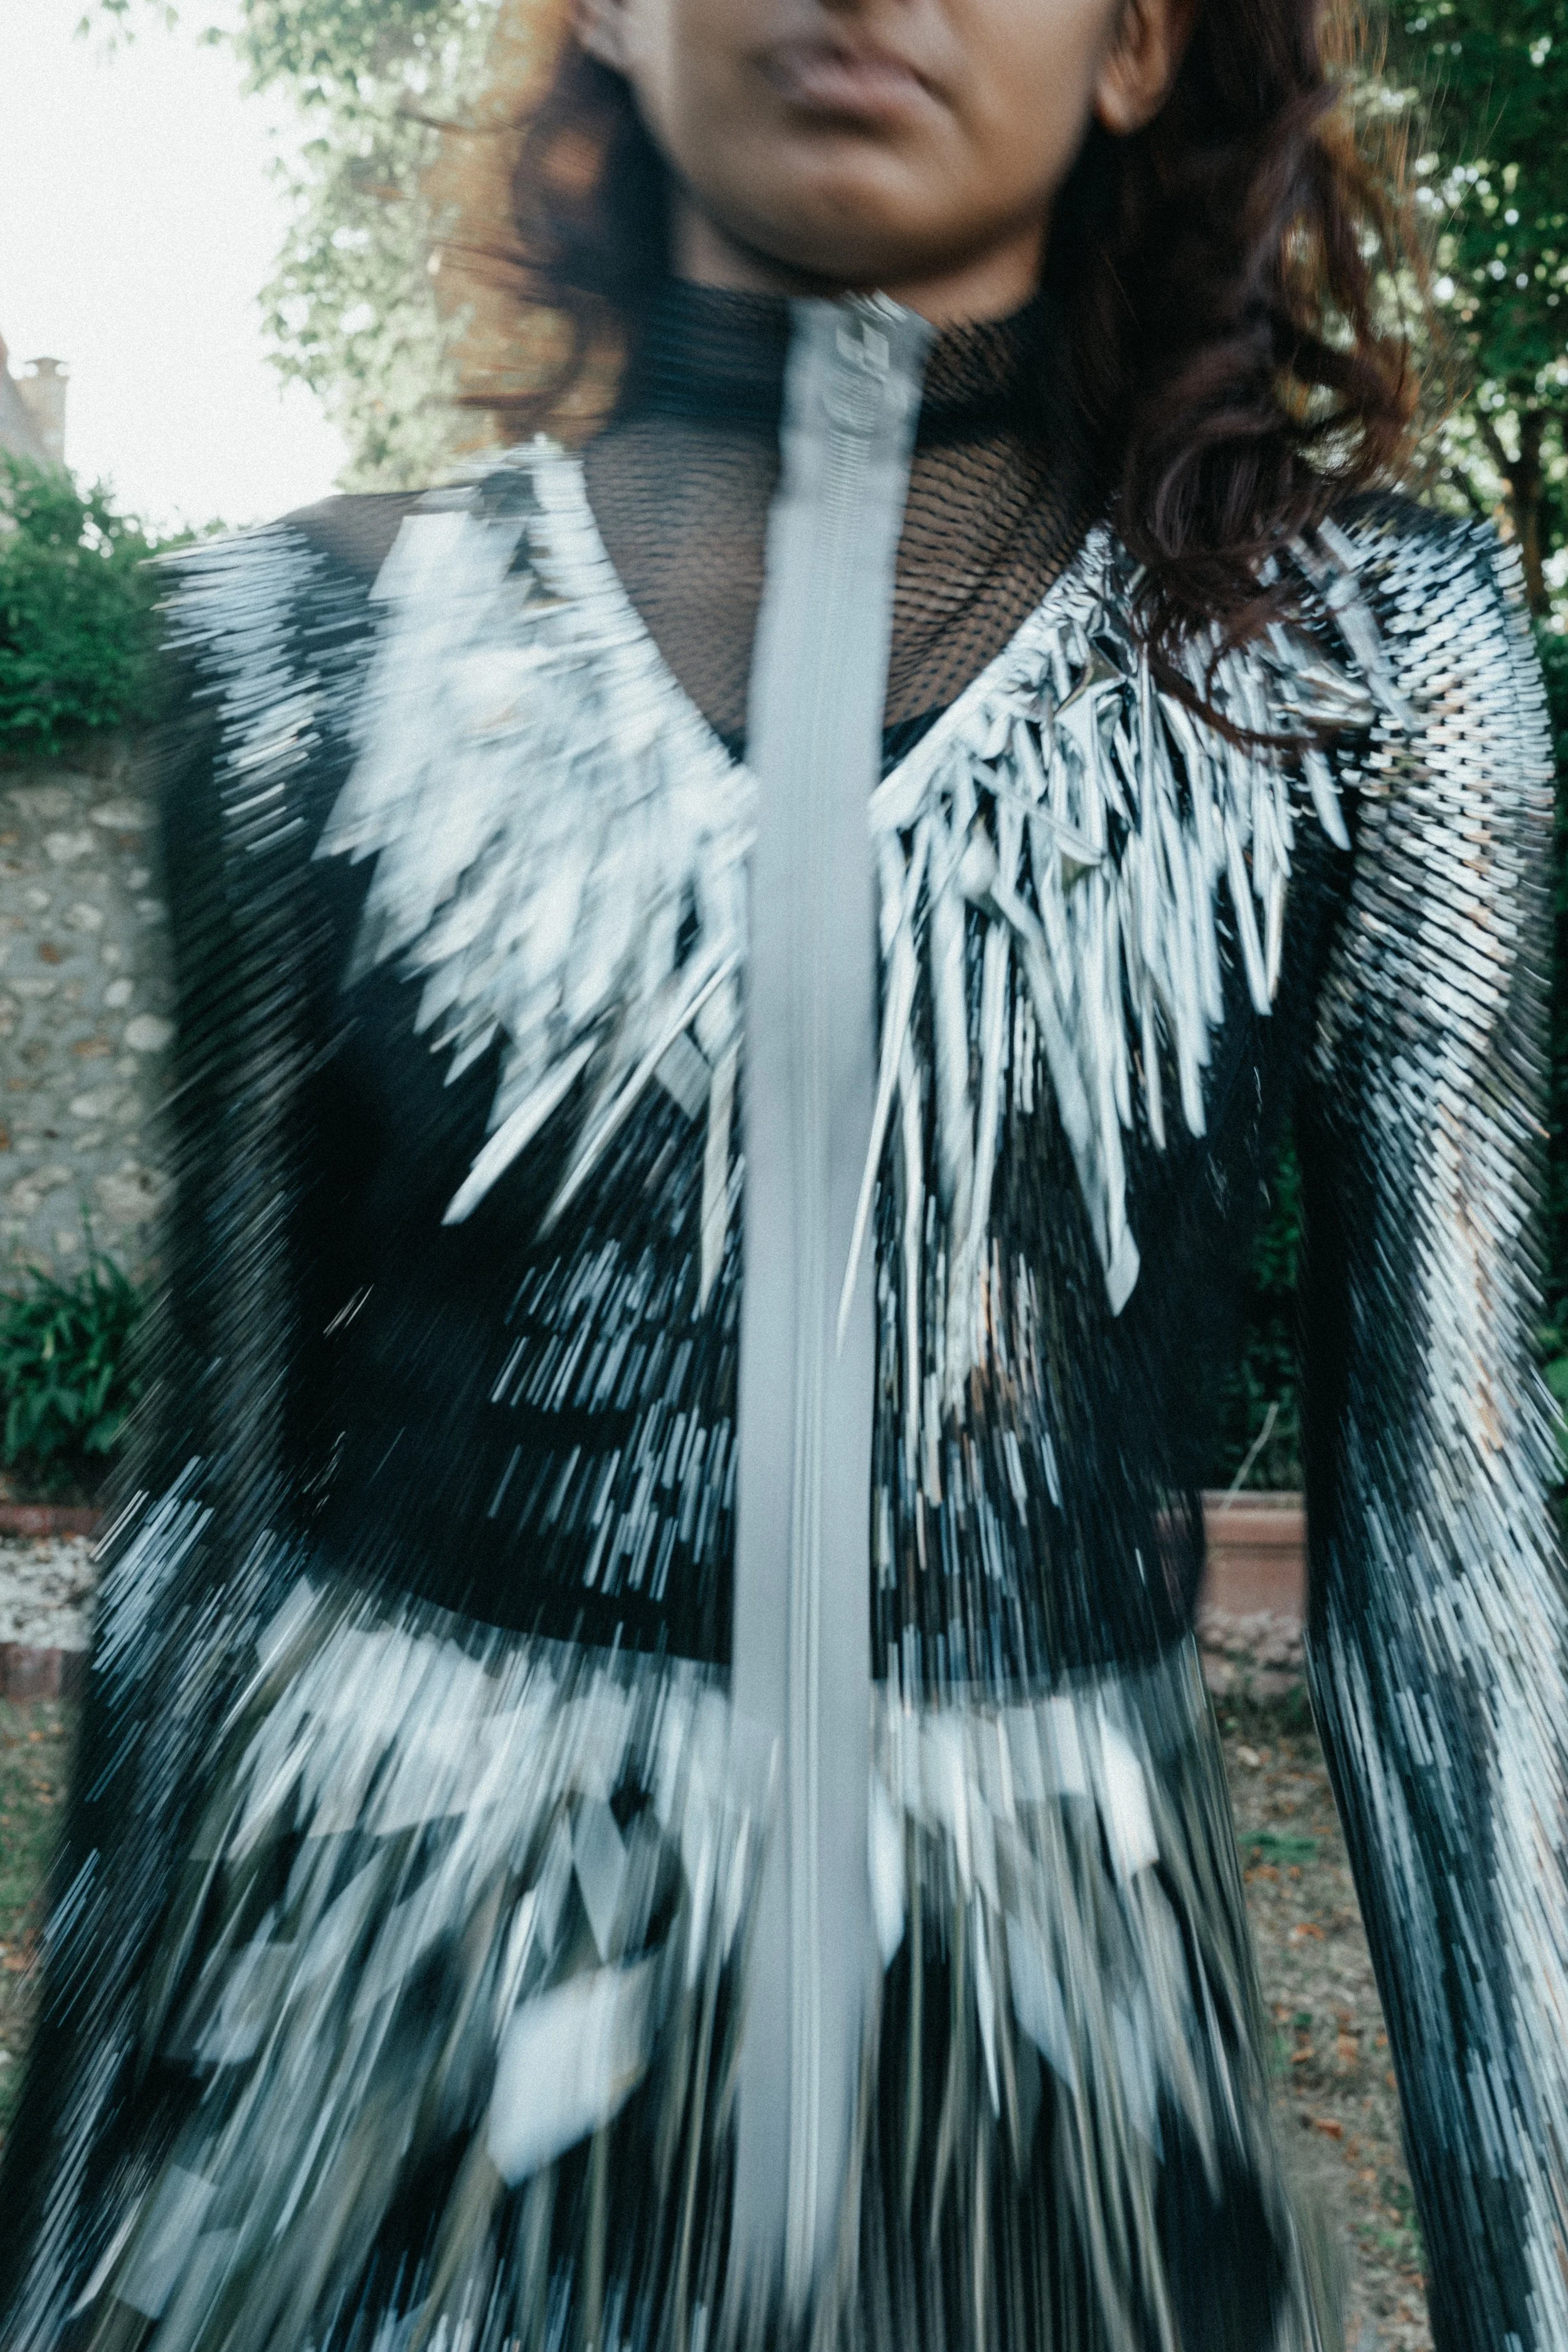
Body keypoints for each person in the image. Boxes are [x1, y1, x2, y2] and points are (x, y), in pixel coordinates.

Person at [4, 0, 1567, 2346]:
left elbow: (1447, 1558)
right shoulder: (308, 652)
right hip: (378, 2143)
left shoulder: (1360, 670)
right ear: (615, 21)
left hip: (1047, 2145)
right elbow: (210, 1526)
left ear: (1138, 51)